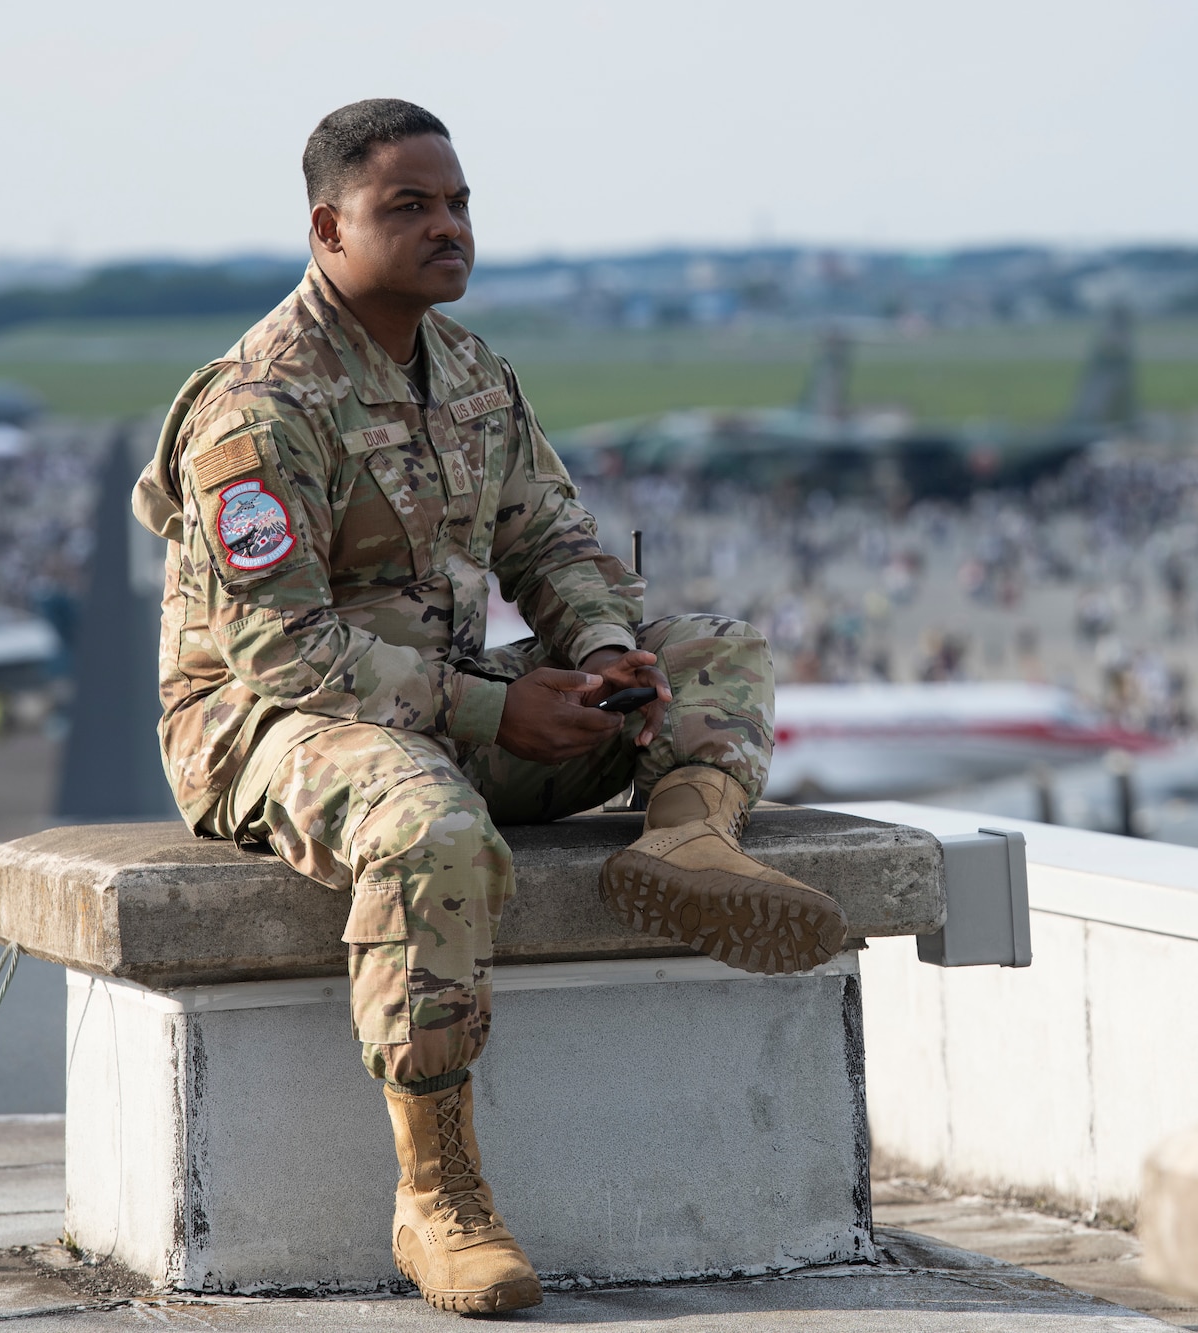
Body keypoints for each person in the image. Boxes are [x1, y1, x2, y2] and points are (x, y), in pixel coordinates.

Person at [130, 99, 848, 1316]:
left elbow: (554, 543)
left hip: (445, 713)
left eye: (455, 202)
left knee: (715, 654)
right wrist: (490, 714)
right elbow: (281, 646)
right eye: (405, 205)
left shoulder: (466, 371)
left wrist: (607, 656)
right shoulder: (260, 406)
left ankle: (683, 843)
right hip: (265, 730)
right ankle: (438, 1193)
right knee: (432, 829)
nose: (445, 226)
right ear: (327, 228)